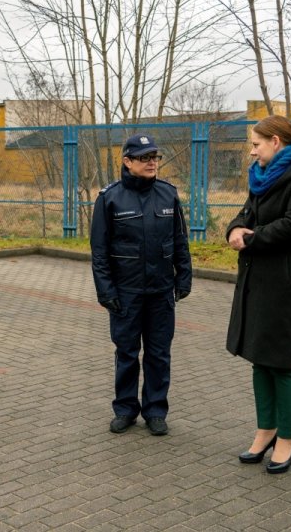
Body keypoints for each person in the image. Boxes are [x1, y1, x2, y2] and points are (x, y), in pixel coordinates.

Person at [226, 114, 291, 474]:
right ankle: (266, 429)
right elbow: (245, 213)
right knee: (259, 356)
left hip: (288, 282)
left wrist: (250, 237)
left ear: (276, 142)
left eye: (256, 144)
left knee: (283, 362)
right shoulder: (262, 178)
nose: (252, 152)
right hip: (257, 279)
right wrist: (235, 228)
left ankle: (288, 437)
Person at [90, 134, 192, 436]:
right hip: (126, 293)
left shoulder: (168, 195)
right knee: (127, 353)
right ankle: (125, 409)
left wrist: (183, 276)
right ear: (127, 161)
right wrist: (106, 291)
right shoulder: (110, 198)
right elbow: (99, 252)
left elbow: (180, 240)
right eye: (145, 158)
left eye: (155, 158)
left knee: (159, 353)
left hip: (161, 291)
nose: (152, 163)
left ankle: (155, 411)